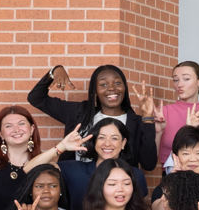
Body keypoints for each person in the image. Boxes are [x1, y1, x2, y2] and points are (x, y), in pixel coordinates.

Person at [28, 62, 161, 171]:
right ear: (95, 91)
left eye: (117, 83)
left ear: (124, 88)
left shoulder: (136, 122)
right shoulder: (78, 112)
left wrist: (148, 118)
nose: (111, 88)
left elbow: (148, 165)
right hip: (77, 190)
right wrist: (54, 72)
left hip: (118, 194)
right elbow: (36, 98)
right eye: (103, 84)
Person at [158, 61, 199, 161]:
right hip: (169, 174)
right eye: (175, 80)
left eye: (186, 79)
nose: (179, 84)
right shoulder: (163, 112)